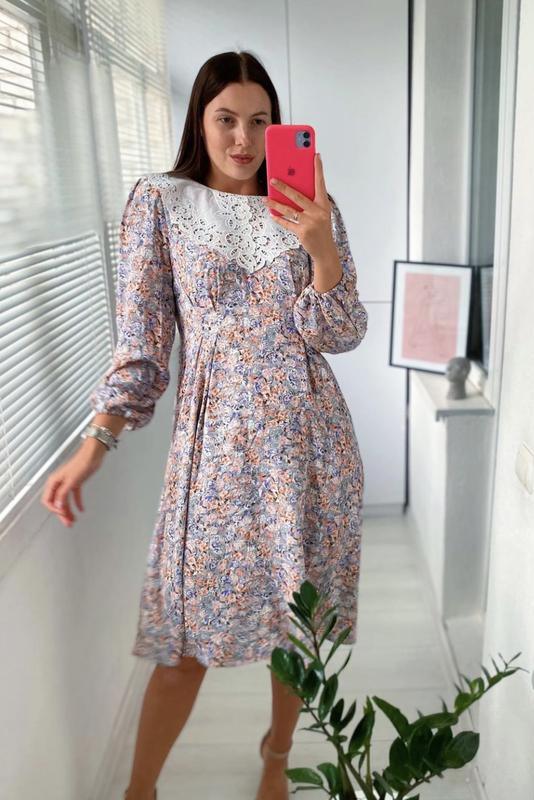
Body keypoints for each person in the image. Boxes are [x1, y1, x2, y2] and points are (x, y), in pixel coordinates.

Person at [41, 50, 367, 800]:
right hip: (214, 453)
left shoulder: (312, 206)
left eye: (259, 120)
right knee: (183, 638)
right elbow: (142, 345)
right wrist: (96, 444)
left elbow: (340, 331)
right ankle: (140, 790)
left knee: (299, 629)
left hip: (311, 444)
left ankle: (277, 758)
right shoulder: (160, 203)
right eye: (226, 119)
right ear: (199, 119)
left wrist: (320, 247)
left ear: (277, 127)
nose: (243, 139)